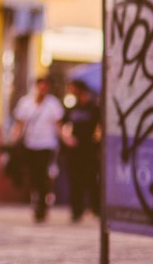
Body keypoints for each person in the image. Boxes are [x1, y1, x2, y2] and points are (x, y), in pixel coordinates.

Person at [11, 75, 63, 223]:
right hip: (30, 144)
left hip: (47, 144)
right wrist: (14, 137)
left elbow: (58, 125)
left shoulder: (53, 104)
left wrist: (66, 139)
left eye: (45, 86)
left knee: (43, 174)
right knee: (33, 175)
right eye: (41, 85)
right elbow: (19, 124)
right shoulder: (26, 103)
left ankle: (42, 205)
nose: (43, 88)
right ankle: (37, 201)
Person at [61, 79, 101, 222]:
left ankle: (96, 208)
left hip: (89, 148)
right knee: (75, 180)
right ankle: (77, 210)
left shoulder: (93, 107)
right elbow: (64, 124)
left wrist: (97, 141)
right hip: (74, 150)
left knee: (91, 180)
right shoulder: (73, 107)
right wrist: (67, 138)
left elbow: (100, 125)